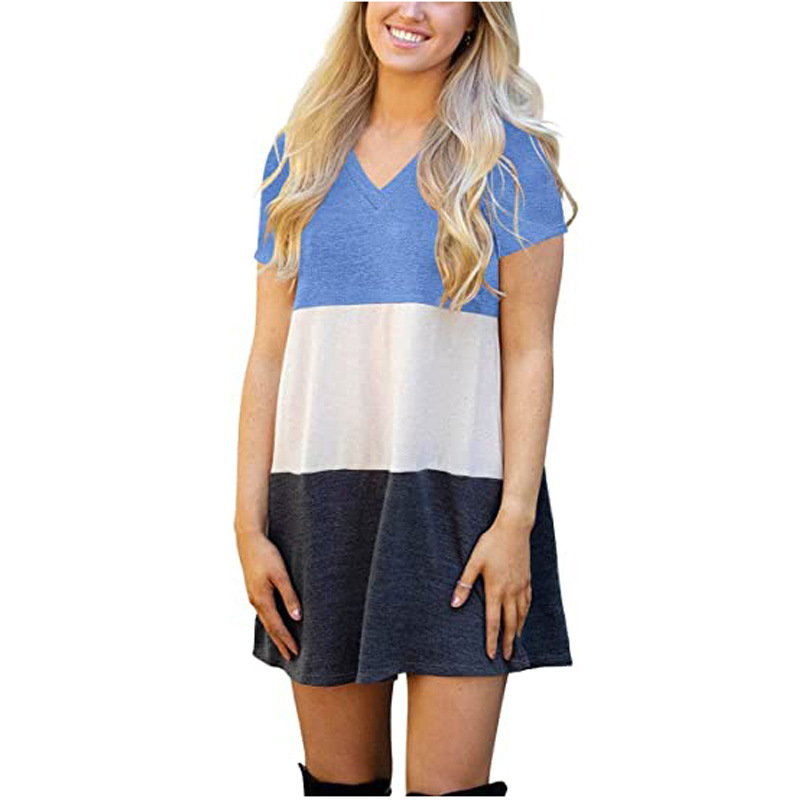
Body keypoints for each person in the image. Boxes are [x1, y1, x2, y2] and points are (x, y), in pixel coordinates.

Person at [234, 2, 578, 795]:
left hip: (462, 516)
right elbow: (268, 354)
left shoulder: (507, 160)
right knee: (338, 787)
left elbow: (530, 352)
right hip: (319, 508)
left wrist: (515, 522)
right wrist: (249, 526)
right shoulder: (300, 156)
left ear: (477, 19)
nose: (412, 10)